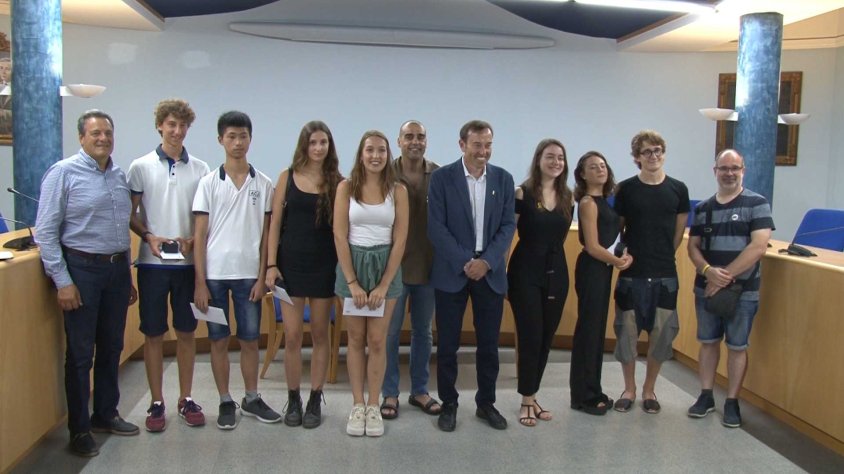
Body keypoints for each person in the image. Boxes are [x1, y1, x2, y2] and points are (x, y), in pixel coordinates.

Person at [35, 109, 139, 457]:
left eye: (108, 133)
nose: (103, 138)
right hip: (82, 271)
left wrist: (127, 275)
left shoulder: (118, 175)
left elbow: (120, 229)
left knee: (111, 347)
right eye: (95, 133)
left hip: (116, 272)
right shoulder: (62, 173)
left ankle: (105, 414)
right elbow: (45, 233)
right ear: (81, 137)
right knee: (81, 355)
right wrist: (62, 281)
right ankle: (79, 429)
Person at [192, 111, 281, 430]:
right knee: (218, 340)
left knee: (249, 339)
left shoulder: (264, 184)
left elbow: (267, 236)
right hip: (214, 277)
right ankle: (225, 400)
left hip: (249, 278)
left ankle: (252, 397)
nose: (238, 142)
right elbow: (199, 236)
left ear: (250, 139)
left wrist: (261, 277)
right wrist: (200, 282)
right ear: (221, 140)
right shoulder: (208, 183)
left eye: (243, 136)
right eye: (231, 136)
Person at [127, 99, 210, 432]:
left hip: (188, 266)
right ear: (160, 125)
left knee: (187, 332)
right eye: (171, 124)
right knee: (154, 334)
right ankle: (157, 402)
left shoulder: (201, 169)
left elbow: (204, 219)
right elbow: (130, 214)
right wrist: (148, 236)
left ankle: (186, 398)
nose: (177, 131)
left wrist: (191, 240)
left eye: (182, 125)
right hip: (152, 265)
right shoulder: (140, 166)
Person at [428, 120, 516, 432]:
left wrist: (487, 262)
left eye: (488, 145)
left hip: (489, 273)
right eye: (477, 145)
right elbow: (436, 227)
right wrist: (466, 261)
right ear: (462, 144)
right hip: (453, 272)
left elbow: (508, 226)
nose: (483, 151)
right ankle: (449, 403)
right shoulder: (442, 178)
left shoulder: (503, 179)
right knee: (447, 345)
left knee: (489, 345)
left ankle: (486, 403)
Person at [686, 149, 773, 428]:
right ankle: (706, 396)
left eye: (735, 168)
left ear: (743, 171)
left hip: (743, 292)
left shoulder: (757, 203)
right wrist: (708, 272)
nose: (729, 173)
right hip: (706, 289)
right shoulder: (703, 208)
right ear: (715, 171)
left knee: (737, 346)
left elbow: (758, 246)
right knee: (708, 342)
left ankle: (732, 401)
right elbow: (693, 247)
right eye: (724, 168)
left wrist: (723, 277)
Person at [265, 121, 342, 429]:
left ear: (330, 146)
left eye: (323, 142)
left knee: (321, 334)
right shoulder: (287, 177)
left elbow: (344, 230)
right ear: (304, 146)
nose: (318, 148)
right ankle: (294, 397)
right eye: (313, 143)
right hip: (290, 267)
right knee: (293, 335)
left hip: (324, 267)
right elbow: (274, 224)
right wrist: (271, 265)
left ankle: (315, 398)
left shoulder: (339, 182)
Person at [334, 130, 409, 437]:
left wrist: (383, 285)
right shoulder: (346, 187)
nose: (376, 156)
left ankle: (374, 405)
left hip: (385, 267)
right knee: (355, 339)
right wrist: (352, 282)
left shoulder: (398, 190)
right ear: (361, 154)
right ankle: (357, 404)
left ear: (388, 155)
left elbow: (400, 239)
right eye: (370, 150)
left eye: (381, 150)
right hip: (352, 264)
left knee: (377, 340)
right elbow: (339, 235)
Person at [612, 130, 689, 414]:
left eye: (657, 150)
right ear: (637, 157)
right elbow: (617, 231)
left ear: (663, 153)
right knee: (626, 334)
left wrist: (662, 255)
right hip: (631, 274)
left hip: (665, 274)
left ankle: (649, 390)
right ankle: (629, 389)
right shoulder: (625, 189)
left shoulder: (678, 189)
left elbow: (677, 234)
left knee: (661, 336)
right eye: (647, 152)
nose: (653, 156)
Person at [507, 138, 573, 427]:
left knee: (547, 337)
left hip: (557, 271)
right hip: (525, 272)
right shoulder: (522, 193)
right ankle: (526, 399)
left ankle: (533, 395)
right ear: (538, 160)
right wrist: (500, 273)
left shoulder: (568, 196)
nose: (556, 162)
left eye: (560, 157)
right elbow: (508, 234)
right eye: (550, 156)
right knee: (530, 335)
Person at [380, 120, 441, 420]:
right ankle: (389, 393)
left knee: (423, 333)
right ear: (399, 141)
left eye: (420, 136)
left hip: (428, 268)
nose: (415, 141)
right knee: (389, 334)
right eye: (409, 136)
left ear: (426, 141)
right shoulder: (384, 173)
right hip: (392, 269)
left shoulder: (439, 175)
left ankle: (419, 390)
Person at [569, 151, 633, 416]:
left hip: (603, 268)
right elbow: (593, 246)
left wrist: (623, 254)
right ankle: (583, 396)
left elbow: (615, 237)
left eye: (602, 165)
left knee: (596, 332)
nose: (600, 170)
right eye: (593, 167)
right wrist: (617, 262)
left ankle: (592, 389)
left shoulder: (606, 201)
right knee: (589, 330)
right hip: (592, 268)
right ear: (583, 174)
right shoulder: (587, 202)